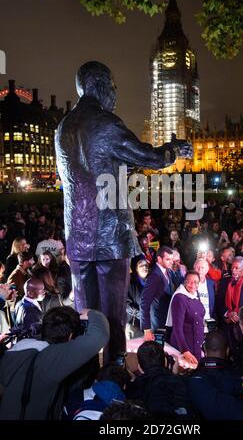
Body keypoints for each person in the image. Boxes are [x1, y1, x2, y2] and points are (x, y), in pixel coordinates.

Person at [55, 61, 192, 361]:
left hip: (78, 237)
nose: (115, 93)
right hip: (110, 236)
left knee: (84, 316)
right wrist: (173, 150)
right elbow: (148, 155)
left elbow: (82, 172)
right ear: (101, 85)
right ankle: (114, 370)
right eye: (114, 86)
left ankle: (84, 369)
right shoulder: (106, 123)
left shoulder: (62, 127)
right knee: (114, 316)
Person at [0, 307, 109, 420]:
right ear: (71, 336)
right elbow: (99, 336)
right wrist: (92, 313)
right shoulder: (50, 360)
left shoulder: (17, 352)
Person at [166, 271, 205, 364]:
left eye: (195, 282)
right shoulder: (179, 298)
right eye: (189, 281)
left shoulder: (196, 295)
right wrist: (185, 351)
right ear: (184, 282)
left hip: (196, 346)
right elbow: (177, 329)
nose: (192, 285)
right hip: (183, 348)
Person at [140, 246, 174, 340]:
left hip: (167, 321)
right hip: (157, 325)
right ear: (159, 259)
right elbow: (144, 302)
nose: (171, 262)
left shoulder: (168, 271)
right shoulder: (154, 276)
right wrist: (146, 329)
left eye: (172, 259)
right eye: (168, 259)